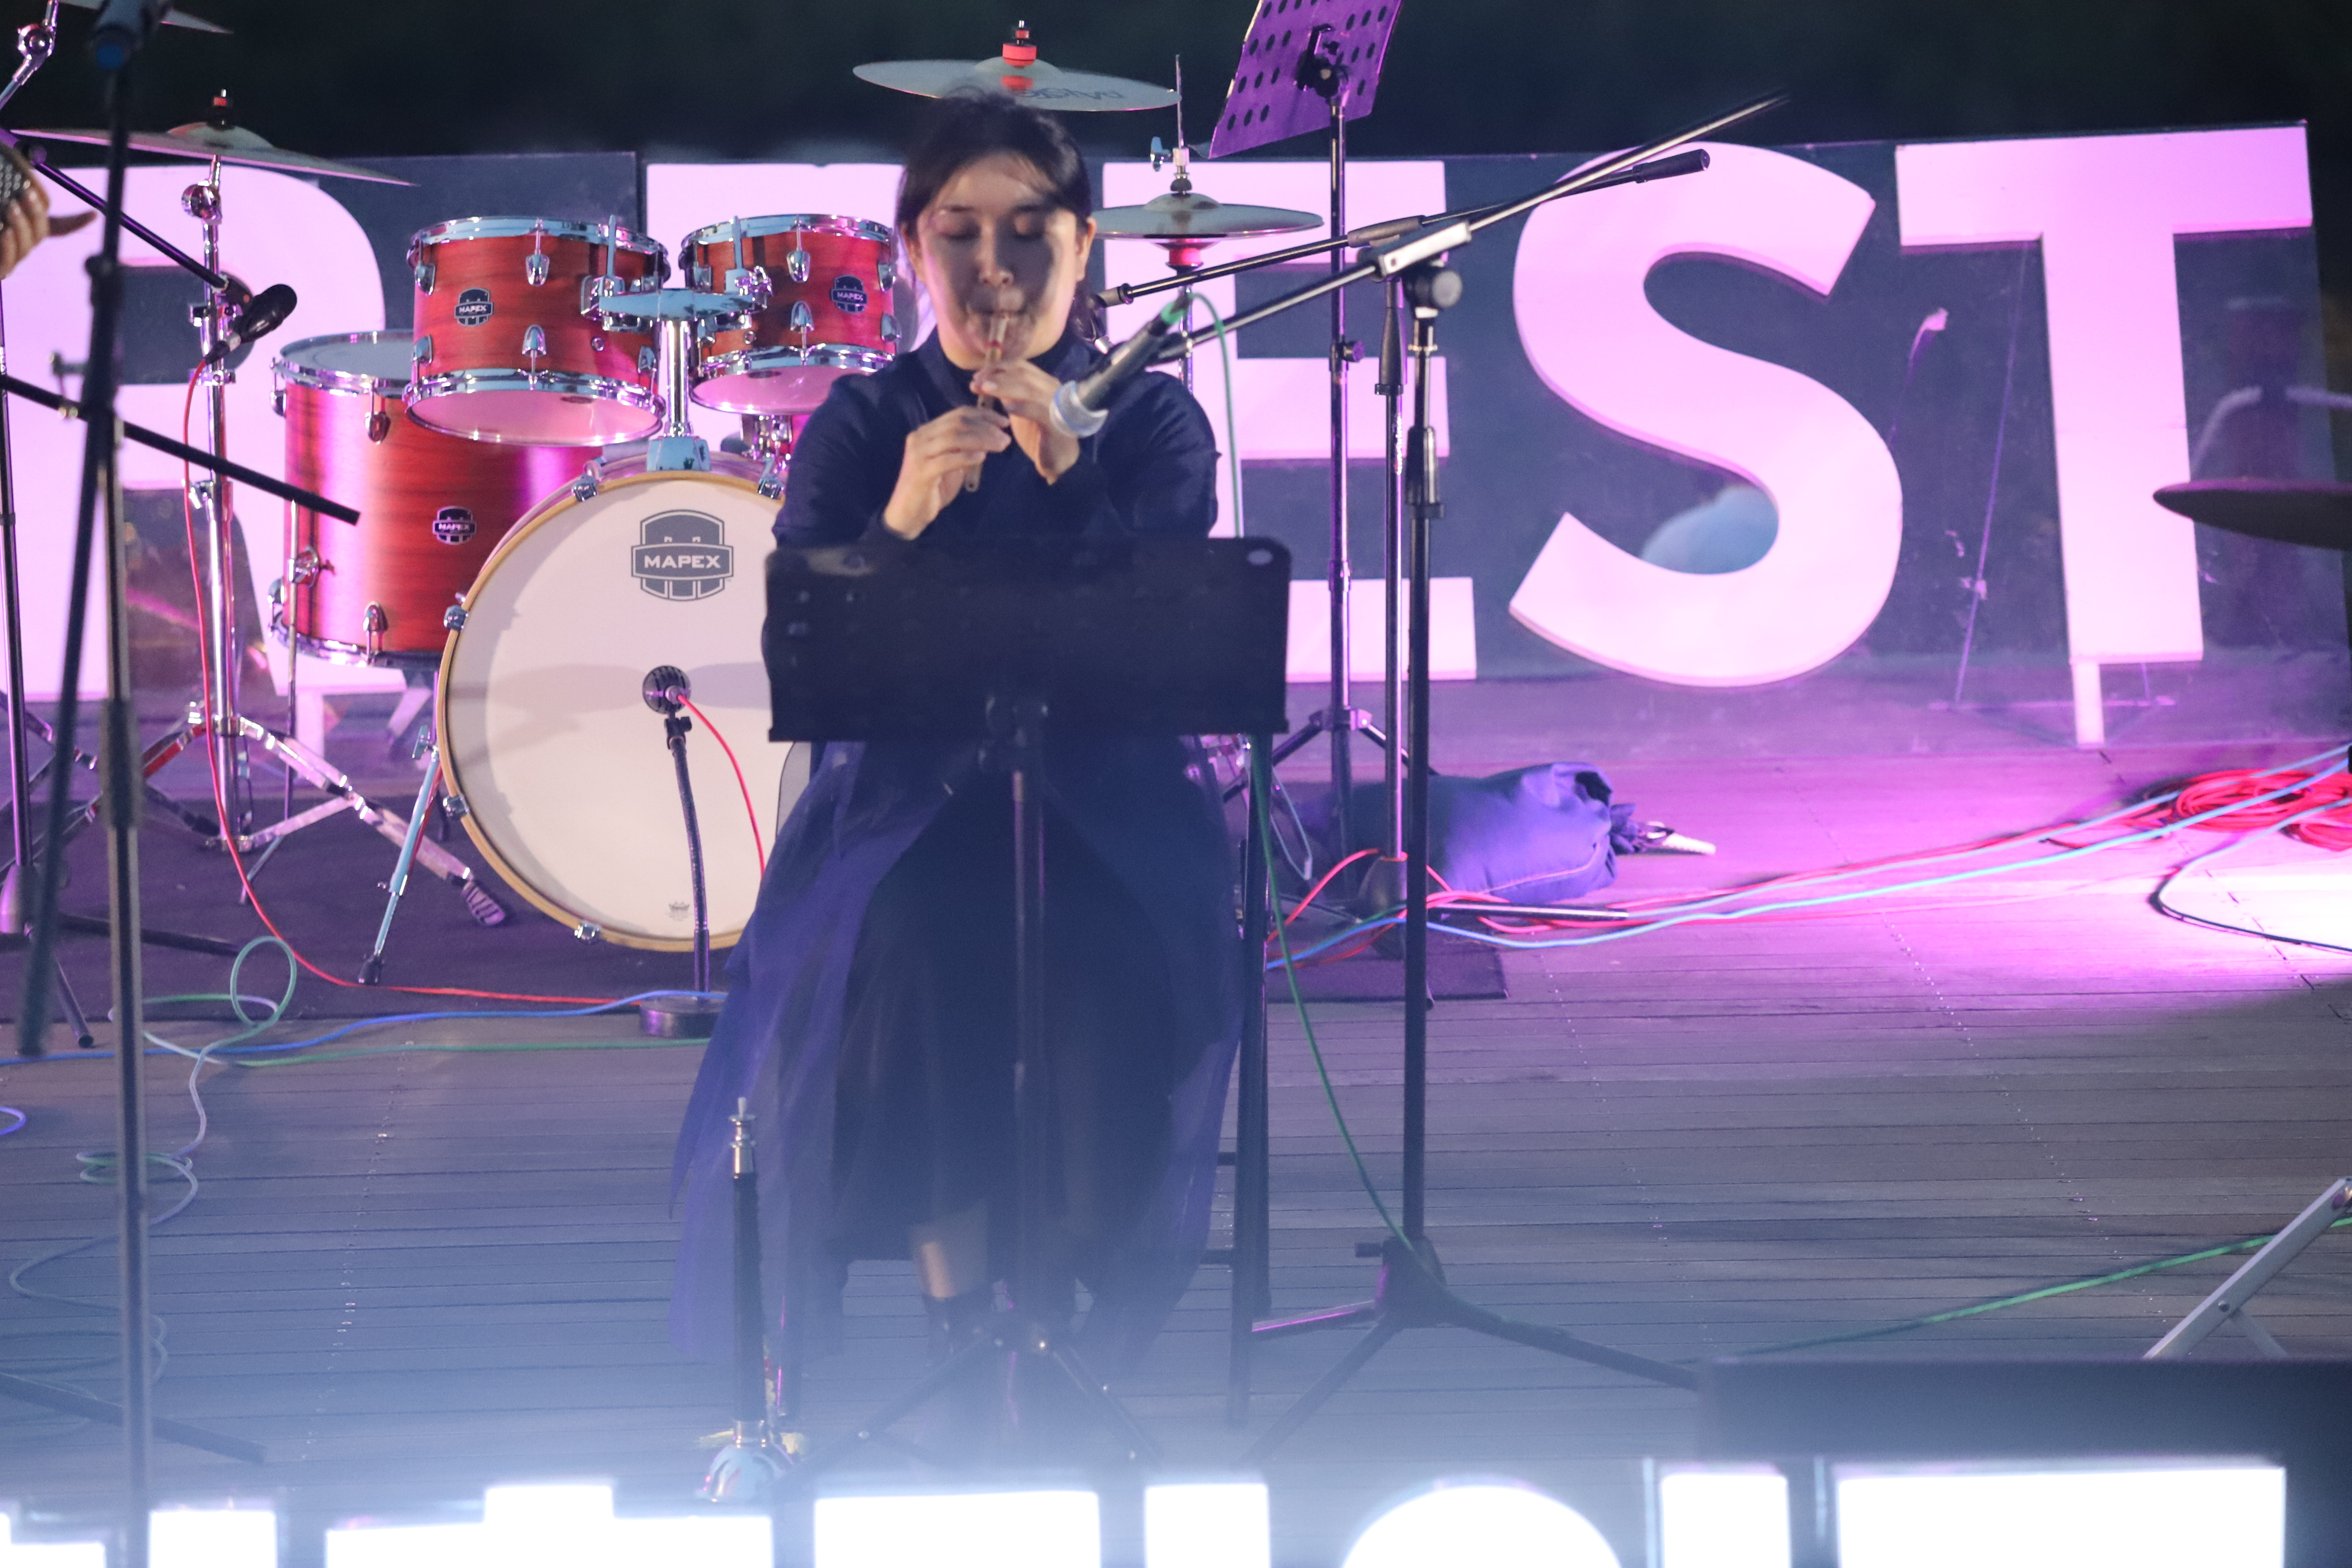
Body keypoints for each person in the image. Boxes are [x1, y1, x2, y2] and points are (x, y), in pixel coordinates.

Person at [671, 92, 1237, 1401]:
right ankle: (958, 1310)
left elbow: (1168, 643)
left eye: (1031, 231)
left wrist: (1071, 470)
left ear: (1085, 247)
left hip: (1113, 800)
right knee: (923, 942)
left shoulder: (1154, 420)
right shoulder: (864, 421)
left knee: (1107, 953)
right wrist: (897, 528)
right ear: (912, 250)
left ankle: (1074, 1299)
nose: (995, 267)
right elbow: (809, 660)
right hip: (906, 806)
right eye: (960, 231)